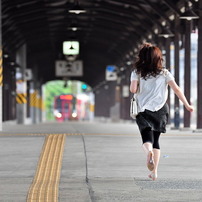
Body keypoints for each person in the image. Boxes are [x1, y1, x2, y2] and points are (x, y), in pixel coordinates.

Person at [130, 43, 194, 181]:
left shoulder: (137, 72)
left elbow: (133, 90)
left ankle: (148, 153)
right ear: (158, 58)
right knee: (156, 140)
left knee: (146, 137)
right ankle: (155, 172)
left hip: (143, 109)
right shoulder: (164, 73)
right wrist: (187, 105)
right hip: (160, 109)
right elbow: (177, 89)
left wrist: (137, 84)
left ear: (141, 57)